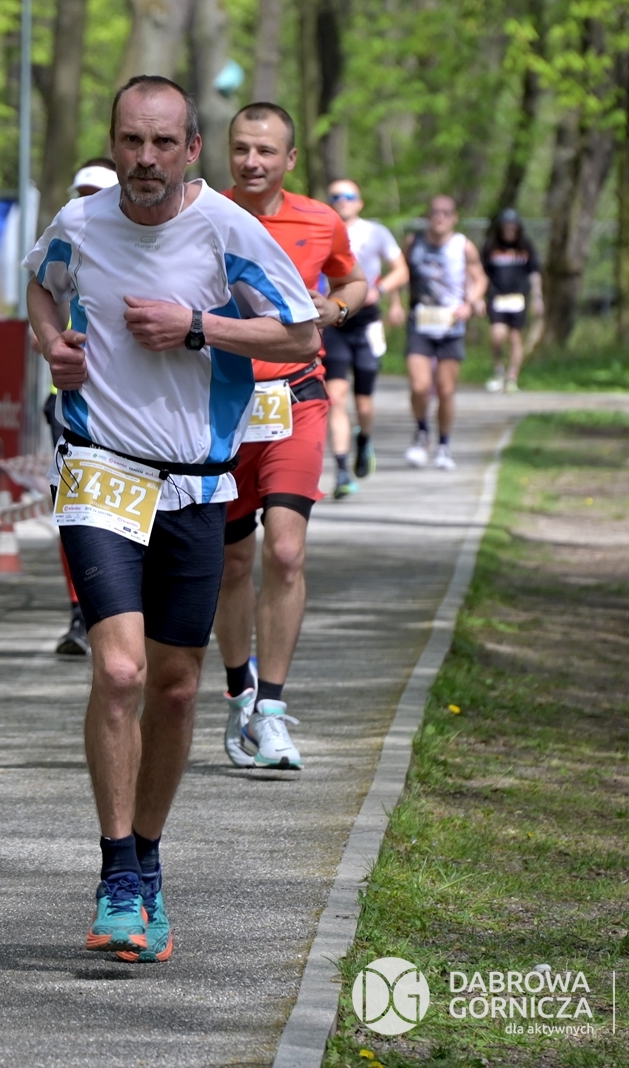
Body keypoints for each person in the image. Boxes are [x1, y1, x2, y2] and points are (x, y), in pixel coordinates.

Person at [26, 76, 318, 963]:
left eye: (162, 143)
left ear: (192, 149)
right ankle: (117, 872)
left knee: (178, 685)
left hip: (195, 481)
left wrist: (198, 327)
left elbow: (300, 335)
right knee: (120, 671)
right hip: (100, 471)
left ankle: (148, 857)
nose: (145, 160)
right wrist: (54, 347)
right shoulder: (80, 224)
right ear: (114, 143)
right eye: (131, 141)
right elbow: (40, 288)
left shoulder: (230, 231)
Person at [215, 103, 367, 772]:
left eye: (266, 151)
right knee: (231, 564)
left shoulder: (320, 219)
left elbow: (353, 278)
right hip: (220, 408)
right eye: (241, 149)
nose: (252, 161)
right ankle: (239, 694)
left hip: (296, 399)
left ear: (290, 159)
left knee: (284, 552)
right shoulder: (202, 216)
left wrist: (339, 306)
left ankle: (272, 710)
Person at [51, 158, 121, 656]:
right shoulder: (69, 234)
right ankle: (82, 612)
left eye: (97, 192)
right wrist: (52, 340)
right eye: (81, 191)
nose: (86, 199)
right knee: (76, 514)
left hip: (147, 420)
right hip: (76, 410)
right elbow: (41, 297)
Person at [388, 194, 487, 470]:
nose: (440, 217)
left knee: (445, 390)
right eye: (435, 212)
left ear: (454, 218)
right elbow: (399, 274)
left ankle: (444, 445)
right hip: (420, 322)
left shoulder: (463, 246)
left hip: (451, 326)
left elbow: (480, 278)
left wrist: (470, 303)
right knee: (419, 386)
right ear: (427, 216)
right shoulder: (414, 242)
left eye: (446, 212)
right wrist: (395, 303)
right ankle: (422, 433)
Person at [324, 179, 408, 496]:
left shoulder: (376, 232)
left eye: (349, 195)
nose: (342, 200)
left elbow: (401, 270)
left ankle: (364, 439)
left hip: (367, 323)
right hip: (334, 322)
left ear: (359, 202)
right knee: (336, 398)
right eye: (336, 196)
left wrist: (380, 291)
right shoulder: (323, 229)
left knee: (364, 401)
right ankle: (342, 471)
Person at [481, 207, 542, 393]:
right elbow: (481, 274)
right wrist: (479, 298)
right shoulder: (491, 248)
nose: (509, 231)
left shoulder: (525, 247)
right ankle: (498, 368)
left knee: (516, 338)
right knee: (497, 334)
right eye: (506, 227)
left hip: (518, 298)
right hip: (497, 297)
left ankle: (512, 376)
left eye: (512, 227)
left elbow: (534, 273)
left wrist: (537, 297)